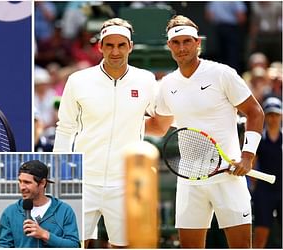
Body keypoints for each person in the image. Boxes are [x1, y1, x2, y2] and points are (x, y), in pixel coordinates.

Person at [145, 15, 264, 248]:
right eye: (176, 43)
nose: (182, 48)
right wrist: (118, 121)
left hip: (228, 178)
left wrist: (248, 156)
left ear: (198, 42)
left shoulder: (222, 73)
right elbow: (159, 126)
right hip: (189, 181)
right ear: (169, 46)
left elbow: (255, 112)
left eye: (187, 41)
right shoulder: (167, 85)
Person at [53, 17, 158, 247]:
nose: (115, 51)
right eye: (109, 45)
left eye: (121, 45)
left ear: (130, 47)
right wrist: (60, 175)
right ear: (100, 47)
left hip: (126, 183)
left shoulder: (146, 80)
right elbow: (65, 128)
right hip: (82, 181)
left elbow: (159, 122)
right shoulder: (78, 80)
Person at [0, 160, 80, 248]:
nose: (22, 187)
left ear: (42, 183)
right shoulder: (10, 212)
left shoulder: (64, 210)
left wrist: (45, 235)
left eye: (27, 182)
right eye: (20, 181)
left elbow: (74, 246)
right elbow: (6, 246)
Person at [252, 97, 282, 248]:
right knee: (260, 236)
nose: (273, 118)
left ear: (281, 116)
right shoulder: (259, 139)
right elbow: (251, 164)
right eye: (270, 114)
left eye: (276, 114)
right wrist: (257, 187)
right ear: (265, 116)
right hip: (264, 192)